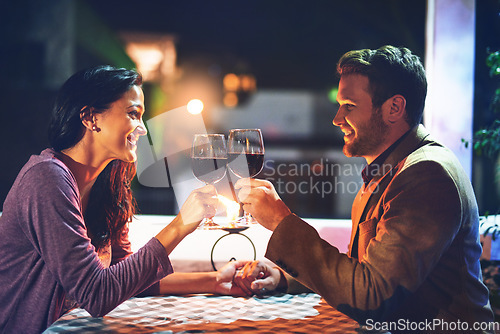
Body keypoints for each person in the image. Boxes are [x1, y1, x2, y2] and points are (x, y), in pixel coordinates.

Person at [0, 65, 281, 334]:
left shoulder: (109, 182)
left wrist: (215, 281)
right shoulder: (47, 179)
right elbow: (97, 294)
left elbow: (126, 280)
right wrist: (180, 225)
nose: (143, 128)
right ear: (90, 117)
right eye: (133, 114)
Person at [234, 46, 495, 331]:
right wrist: (284, 277)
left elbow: (374, 296)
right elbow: (363, 269)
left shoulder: (427, 175)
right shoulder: (387, 170)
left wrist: (282, 222)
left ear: (394, 108)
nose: (336, 118)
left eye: (349, 106)